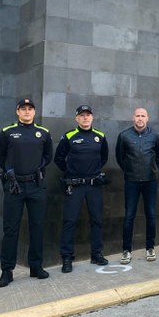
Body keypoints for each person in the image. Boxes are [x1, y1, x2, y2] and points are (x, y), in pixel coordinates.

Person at [0, 97, 53, 288]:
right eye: (23, 109)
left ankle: (36, 267)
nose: (27, 112)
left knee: (37, 226)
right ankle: (7, 271)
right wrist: (10, 171)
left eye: (30, 109)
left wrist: (39, 168)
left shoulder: (43, 133)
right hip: (14, 187)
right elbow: (0, 156)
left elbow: (48, 156)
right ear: (17, 112)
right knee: (11, 229)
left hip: (36, 186)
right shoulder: (7, 133)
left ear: (34, 112)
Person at [54, 104, 109, 273]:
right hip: (75, 185)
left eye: (88, 115)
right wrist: (71, 172)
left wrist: (93, 171)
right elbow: (58, 158)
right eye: (82, 115)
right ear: (77, 118)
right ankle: (67, 258)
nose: (85, 118)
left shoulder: (100, 136)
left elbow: (104, 158)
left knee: (97, 220)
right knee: (69, 221)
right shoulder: (69, 136)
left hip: (93, 185)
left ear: (92, 117)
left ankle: (96, 254)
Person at [115, 107, 159, 264]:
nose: (140, 118)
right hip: (131, 181)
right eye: (137, 116)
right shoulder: (124, 136)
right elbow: (120, 158)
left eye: (143, 116)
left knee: (151, 214)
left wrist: (152, 169)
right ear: (133, 118)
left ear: (147, 118)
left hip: (150, 181)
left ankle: (150, 248)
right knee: (129, 215)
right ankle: (126, 250)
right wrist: (130, 170)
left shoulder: (154, 135)